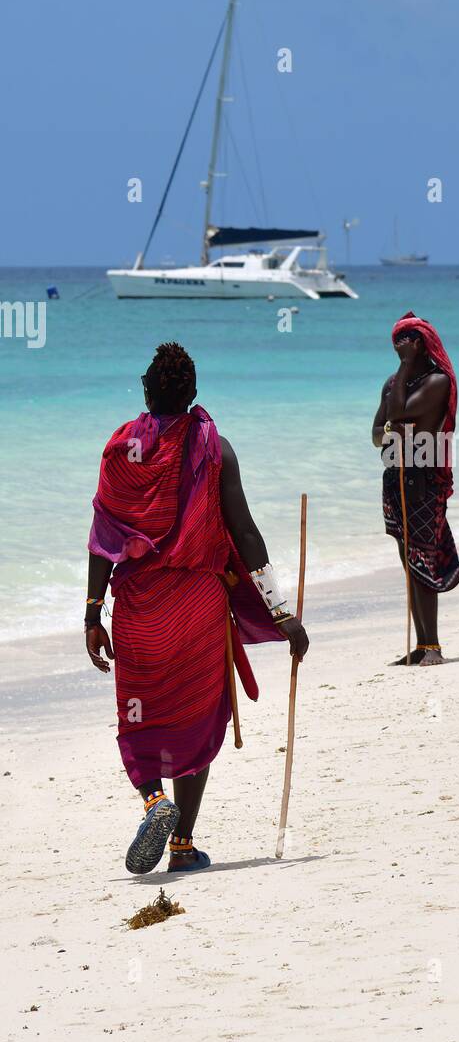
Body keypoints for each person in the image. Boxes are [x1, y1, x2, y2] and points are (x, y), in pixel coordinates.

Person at [85, 341, 308, 874]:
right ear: (194, 393)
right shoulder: (215, 447)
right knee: (197, 715)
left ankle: (152, 801)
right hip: (198, 607)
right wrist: (281, 612)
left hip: (140, 608)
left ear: (146, 389)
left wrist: (92, 613)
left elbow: (103, 535)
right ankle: (182, 843)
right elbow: (246, 534)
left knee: (139, 716)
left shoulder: (123, 450)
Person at [372, 312, 459, 665]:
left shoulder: (437, 381)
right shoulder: (392, 382)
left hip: (424, 480)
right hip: (395, 477)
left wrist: (396, 424)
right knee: (406, 560)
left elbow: (397, 414)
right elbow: (376, 433)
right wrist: (394, 426)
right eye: (397, 338)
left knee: (422, 559)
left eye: (408, 338)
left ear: (422, 343)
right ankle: (421, 644)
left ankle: (433, 646)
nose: (400, 345)